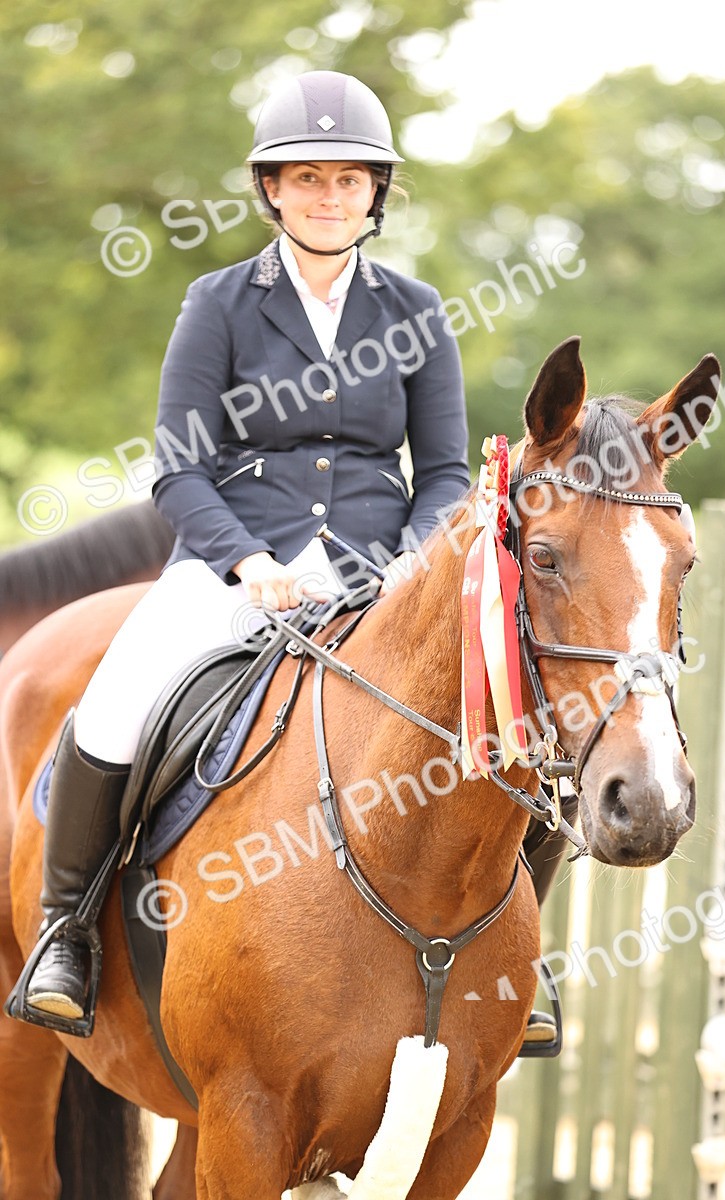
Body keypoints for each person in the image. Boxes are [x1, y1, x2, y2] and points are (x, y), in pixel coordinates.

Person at [14, 70, 470, 1026]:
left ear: (375, 193)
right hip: (236, 562)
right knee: (115, 701)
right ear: (272, 188)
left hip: (378, 568)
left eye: (349, 181)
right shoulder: (219, 303)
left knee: (501, 709)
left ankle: (522, 959)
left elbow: (446, 475)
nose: (329, 198)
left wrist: (408, 567)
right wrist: (246, 564)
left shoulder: (418, 312)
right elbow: (178, 467)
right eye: (308, 179)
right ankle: (65, 931)